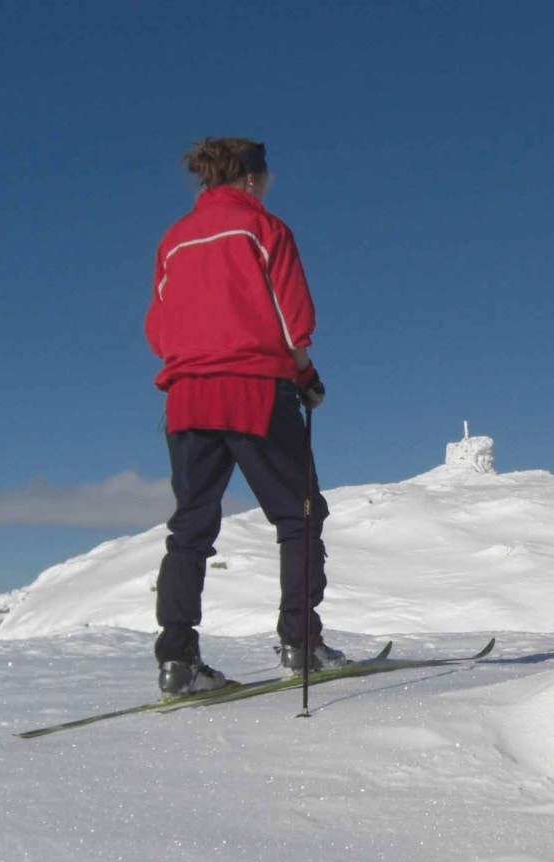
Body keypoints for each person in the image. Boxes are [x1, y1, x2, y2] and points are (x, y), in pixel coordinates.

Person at [143, 136, 349, 699]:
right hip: (253, 390)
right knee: (299, 514)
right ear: (253, 178)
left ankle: (178, 661)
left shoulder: (173, 239)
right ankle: (301, 644)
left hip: (186, 397)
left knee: (190, 527)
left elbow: (158, 328)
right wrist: (305, 377)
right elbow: (291, 315)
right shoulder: (263, 228)